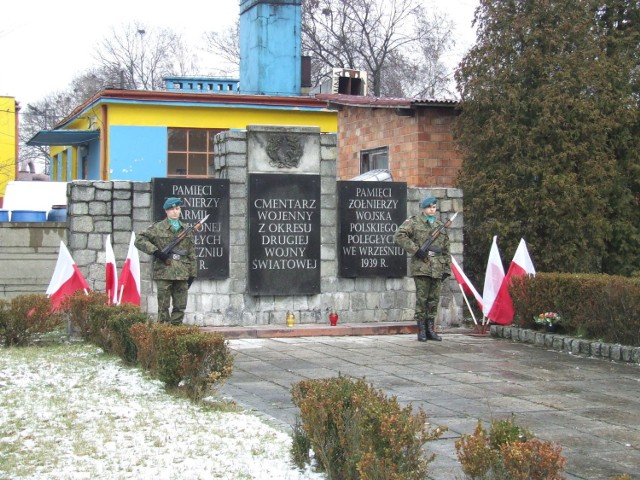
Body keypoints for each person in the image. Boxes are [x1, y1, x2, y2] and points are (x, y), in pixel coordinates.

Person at [393, 196, 451, 342]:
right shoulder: (414, 222)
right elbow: (399, 236)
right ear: (424, 208)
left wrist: (447, 268)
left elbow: (446, 249)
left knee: (433, 300)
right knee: (422, 299)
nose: (432, 209)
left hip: (437, 266)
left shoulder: (440, 226)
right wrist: (415, 250)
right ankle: (422, 330)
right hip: (422, 266)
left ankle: (431, 329)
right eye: (429, 207)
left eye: (434, 207)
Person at [135, 197, 196, 325]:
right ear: (166, 211)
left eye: (177, 209)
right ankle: (163, 331)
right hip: (164, 271)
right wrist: (157, 252)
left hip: (182, 271)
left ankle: (175, 331)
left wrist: (192, 274)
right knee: (163, 305)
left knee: (180, 305)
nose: (175, 211)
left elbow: (191, 253)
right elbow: (139, 240)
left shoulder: (186, 229)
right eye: (172, 209)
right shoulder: (157, 228)